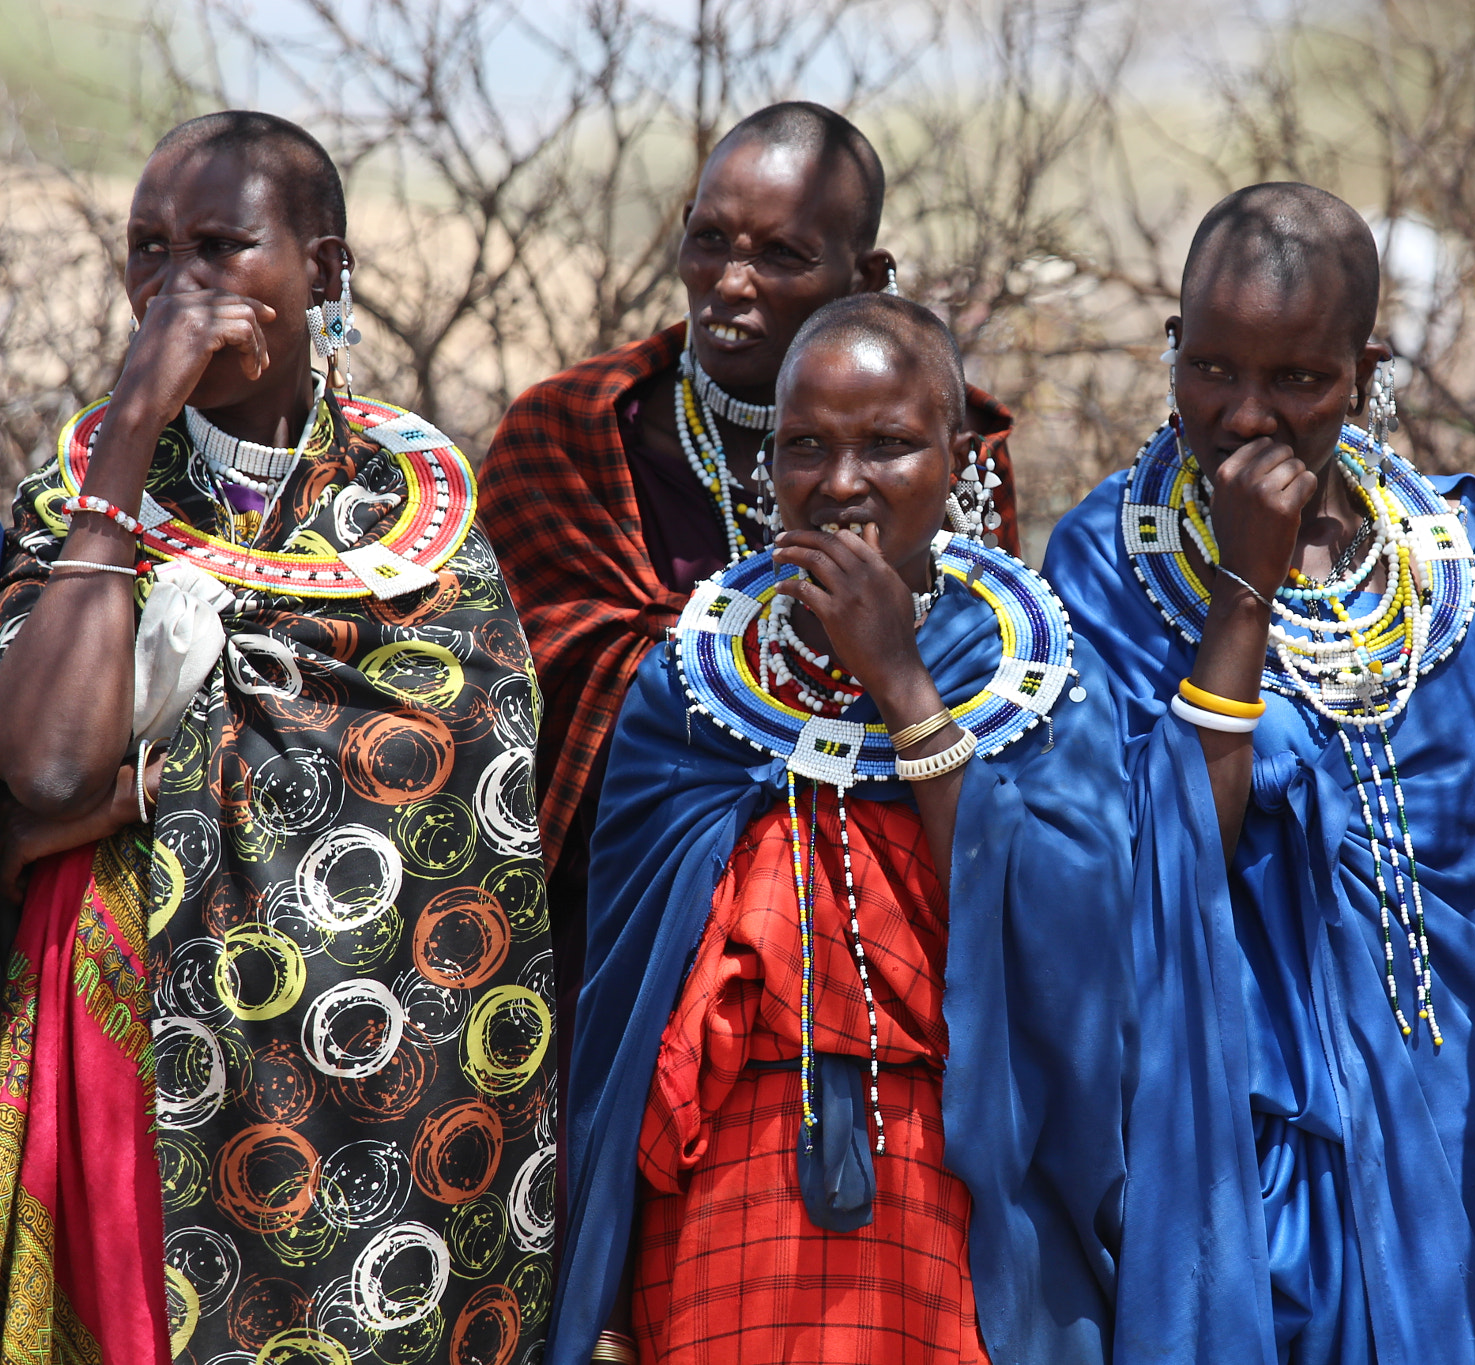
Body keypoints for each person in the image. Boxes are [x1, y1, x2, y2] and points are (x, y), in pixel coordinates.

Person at [0, 111, 554, 1362]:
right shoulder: (78, 484)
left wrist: (132, 789)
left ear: (325, 272)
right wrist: (128, 447)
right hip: (119, 1043)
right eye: (147, 252)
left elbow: (449, 782)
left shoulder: (411, 511)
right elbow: (39, 762)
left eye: (218, 247)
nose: (174, 285)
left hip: (369, 1084)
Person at [1041, 183, 1475, 1365]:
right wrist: (1245, 584)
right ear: (1172, 348)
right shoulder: (1101, 560)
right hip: (1240, 1105)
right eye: (1211, 369)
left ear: (1364, 369)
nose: (1244, 416)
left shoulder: (1450, 556)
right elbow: (1159, 854)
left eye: (1296, 381)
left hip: (1455, 1098)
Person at [549, 294, 1128, 1365]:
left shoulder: (1041, 682)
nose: (842, 480)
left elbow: (1065, 958)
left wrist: (900, 683)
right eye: (805, 445)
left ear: (959, 459)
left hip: (952, 1178)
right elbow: (626, 991)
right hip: (727, 1186)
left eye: (888, 445)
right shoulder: (691, 686)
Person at [478, 102, 1021, 1038]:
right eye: (709, 240)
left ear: (868, 275)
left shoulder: (940, 451)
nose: (730, 283)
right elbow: (518, 695)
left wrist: (881, 665)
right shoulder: (566, 434)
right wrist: (760, 657)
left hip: (899, 960)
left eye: (780, 256)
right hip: (624, 951)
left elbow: (990, 708)